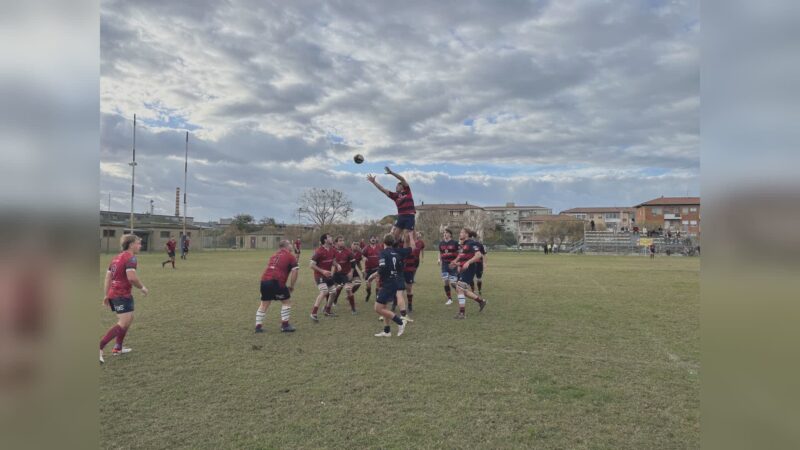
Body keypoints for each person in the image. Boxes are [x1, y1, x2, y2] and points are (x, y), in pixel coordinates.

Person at [100, 234, 149, 364]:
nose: (140, 246)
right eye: (138, 243)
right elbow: (132, 278)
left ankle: (118, 347)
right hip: (120, 294)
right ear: (131, 244)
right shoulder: (130, 258)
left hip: (118, 293)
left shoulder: (116, 258)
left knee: (128, 319)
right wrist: (142, 287)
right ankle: (99, 347)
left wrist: (106, 295)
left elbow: (108, 278)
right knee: (124, 322)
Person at [373, 233, 415, 337]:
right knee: (384, 307)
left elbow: (382, 268)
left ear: (384, 242)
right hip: (396, 281)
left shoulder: (383, 253)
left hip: (388, 283)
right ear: (394, 243)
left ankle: (400, 322)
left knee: (378, 308)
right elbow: (412, 248)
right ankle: (387, 331)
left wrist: (373, 276)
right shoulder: (399, 252)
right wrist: (410, 236)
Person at [255, 240, 299, 333]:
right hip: (276, 281)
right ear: (286, 246)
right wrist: (291, 286)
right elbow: (295, 271)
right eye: (290, 244)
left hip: (264, 281)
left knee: (264, 304)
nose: (291, 245)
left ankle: (258, 327)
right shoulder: (290, 256)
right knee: (286, 302)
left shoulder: (274, 255)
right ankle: (285, 325)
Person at [367, 166, 416, 241]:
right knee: (394, 237)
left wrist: (391, 173)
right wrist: (374, 182)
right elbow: (383, 189)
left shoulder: (407, 191)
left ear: (402, 186)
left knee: (406, 237)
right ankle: (393, 251)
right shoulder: (395, 196)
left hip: (409, 216)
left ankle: (406, 252)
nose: (396, 187)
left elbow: (402, 179)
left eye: (398, 185)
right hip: (401, 217)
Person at [450, 228, 487, 319]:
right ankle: (481, 301)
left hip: (469, 269)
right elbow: (464, 258)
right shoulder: (465, 245)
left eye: (462, 232)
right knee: (462, 290)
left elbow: (478, 255)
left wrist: (468, 262)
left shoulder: (471, 243)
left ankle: (462, 313)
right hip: (464, 269)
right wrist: (457, 263)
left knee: (459, 288)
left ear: (466, 234)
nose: (460, 234)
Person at [309, 233, 339, 321]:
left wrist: (337, 265)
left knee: (333, 292)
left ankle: (327, 310)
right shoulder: (319, 251)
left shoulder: (332, 249)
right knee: (324, 291)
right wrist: (323, 271)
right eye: (330, 237)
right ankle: (313, 313)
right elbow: (311, 265)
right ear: (325, 240)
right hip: (319, 275)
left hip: (328, 275)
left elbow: (333, 260)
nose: (332, 238)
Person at [331, 236, 358, 315]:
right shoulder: (333, 251)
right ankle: (328, 306)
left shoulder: (348, 251)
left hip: (345, 274)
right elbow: (332, 260)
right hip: (336, 274)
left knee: (348, 290)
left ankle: (353, 309)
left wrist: (351, 272)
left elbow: (353, 263)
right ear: (336, 242)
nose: (342, 242)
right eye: (340, 240)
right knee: (331, 290)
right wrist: (335, 266)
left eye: (343, 240)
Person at [401, 232, 425, 313]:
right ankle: (395, 304)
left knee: (409, 288)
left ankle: (410, 305)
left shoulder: (412, 246)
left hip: (409, 270)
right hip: (400, 271)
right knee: (398, 289)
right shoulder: (400, 245)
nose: (406, 237)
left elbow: (414, 247)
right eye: (405, 236)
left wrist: (411, 236)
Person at [438, 228, 459, 305]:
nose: (445, 234)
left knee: (453, 283)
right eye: (444, 232)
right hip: (444, 265)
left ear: (450, 234)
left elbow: (459, 254)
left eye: (446, 232)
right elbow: (440, 252)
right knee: (446, 281)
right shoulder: (441, 243)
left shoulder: (455, 243)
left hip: (453, 265)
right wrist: (439, 259)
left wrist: (455, 261)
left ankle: (461, 294)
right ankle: (449, 299)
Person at [361, 236, 383, 302]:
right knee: (368, 284)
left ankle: (377, 297)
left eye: (374, 238)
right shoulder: (366, 248)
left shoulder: (379, 247)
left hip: (377, 268)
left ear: (376, 239)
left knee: (378, 282)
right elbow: (362, 254)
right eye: (372, 238)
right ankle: (369, 293)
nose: (373, 239)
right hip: (368, 269)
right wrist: (363, 257)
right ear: (370, 240)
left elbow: (383, 254)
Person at [468, 230, 487, 295]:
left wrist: (484, 263)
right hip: (471, 263)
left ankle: (479, 290)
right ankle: (473, 291)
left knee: (479, 278)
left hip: (479, 264)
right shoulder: (467, 244)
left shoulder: (479, 244)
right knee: (470, 278)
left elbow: (484, 254)